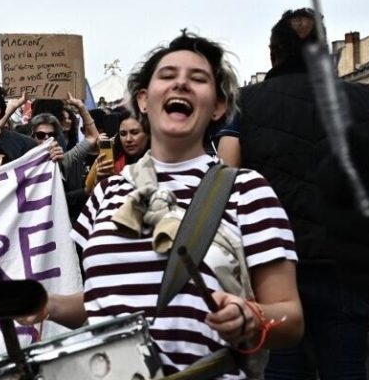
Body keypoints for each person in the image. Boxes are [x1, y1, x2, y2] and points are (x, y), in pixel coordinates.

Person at [31, 34, 303, 377]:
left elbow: (291, 319)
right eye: (167, 75)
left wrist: (251, 317)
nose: (182, 84)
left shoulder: (247, 192)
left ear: (219, 105)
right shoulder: (106, 192)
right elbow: (99, 304)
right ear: (144, 100)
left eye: (199, 78)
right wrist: (47, 304)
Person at [237, 9, 369, 379]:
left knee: (284, 367)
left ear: (274, 52)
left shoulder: (249, 104)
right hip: (346, 262)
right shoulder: (366, 100)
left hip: (275, 263)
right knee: (347, 368)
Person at [83, 110, 150, 193]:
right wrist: (100, 181)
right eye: (123, 134)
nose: (128, 139)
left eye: (135, 133)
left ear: (148, 134)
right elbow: (88, 191)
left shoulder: (160, 160)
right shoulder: (111, 156)